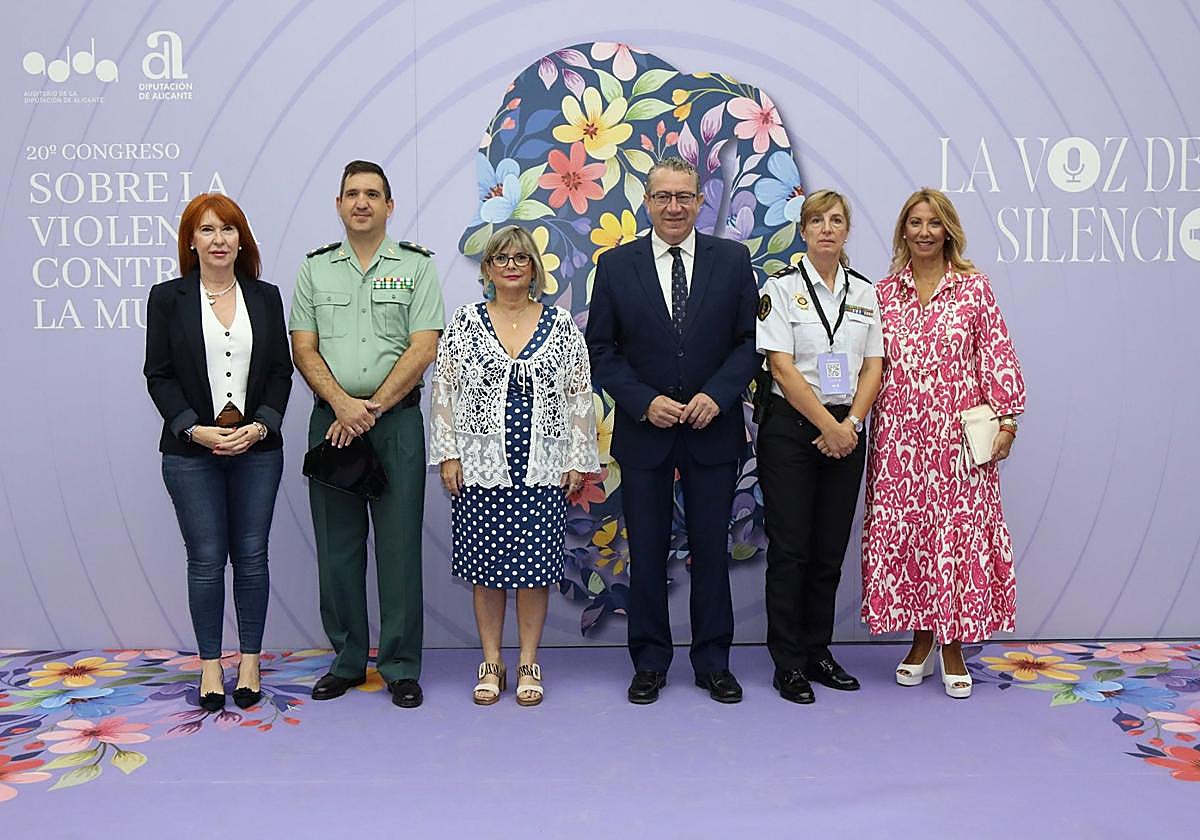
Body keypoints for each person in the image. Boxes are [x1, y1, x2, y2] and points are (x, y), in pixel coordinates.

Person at [586, 157, 761, 705]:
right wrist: (643, 402)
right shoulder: (616, 266)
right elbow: (602, 351)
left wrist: (717, 395)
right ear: (646, 201)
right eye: (663, 197)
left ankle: (713, 662)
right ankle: (650, 662)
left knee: (711, 551)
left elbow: (749, 342)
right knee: (648, 552)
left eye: (684, 197)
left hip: (713, 429)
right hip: (646, 432)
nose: (674, 207)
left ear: (701, 201)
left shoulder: (732, 261)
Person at [289, 160, 445, 708]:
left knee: (400, 550)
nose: (361, 203)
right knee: (337, 550)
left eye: (373, 194)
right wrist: (340, 404)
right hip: (331, 424)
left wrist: (370, 407)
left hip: (395, 422)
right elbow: (303, 346)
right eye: (351, 194)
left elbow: (424, 346)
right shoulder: (315, 270)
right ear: (338, 205)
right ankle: (349, 661)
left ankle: (400, 666)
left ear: (389, 206)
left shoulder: (417, 267)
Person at [861, 188, 1025, 699]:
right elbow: (871, 366)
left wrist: (1008, 422)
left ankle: (952, 644)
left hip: (959, 439)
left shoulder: (975, 289)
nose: (925, 231)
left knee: (956, 539)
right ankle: (921, 638)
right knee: (910, 538)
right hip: (899, 439)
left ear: (949, 230)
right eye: (915, 222)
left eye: (934, 223)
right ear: (902, 230)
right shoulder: (883, 294)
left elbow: (996, 355)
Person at [429, 225, 599, 706]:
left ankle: (527, 661)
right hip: (480, 464)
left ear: (533, 269)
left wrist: (575, 458)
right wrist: (449, 453)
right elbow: (445, 391)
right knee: (485, 571)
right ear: (486, 269)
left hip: (541, 465)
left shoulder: (561, 326)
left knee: (534, 569)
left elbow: (578, 394)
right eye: (500, 257)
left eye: (520, 258)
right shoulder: (465, 323)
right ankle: (491, 661)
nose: (510, 265)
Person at [144, 193, 293, 712]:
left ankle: (249, 659)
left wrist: (261, 427)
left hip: (257, 449)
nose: (218, 240)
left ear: (241, 239)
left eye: (227, 230)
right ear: (191, 241)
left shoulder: (267, 296)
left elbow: (280, 371)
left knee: (251, 557)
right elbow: (158, 375)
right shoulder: (167, 298)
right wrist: (193, 430)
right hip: (190, 453)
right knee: (206, 560)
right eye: (206, 230)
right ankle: (211, 664)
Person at [755, 190, 883, 704]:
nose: (826, 228)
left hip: (847, 429)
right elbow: (781, 366)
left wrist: (849, 423)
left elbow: (873, 365)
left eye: (836, 220)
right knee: (790, 551)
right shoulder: (781, 289)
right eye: (816, 221)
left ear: (847, 230)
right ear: (803, 231)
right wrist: (826, 426)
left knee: (829, 551)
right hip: (792, 429)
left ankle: (817, 651)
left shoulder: (866, 293)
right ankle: (787, 663)